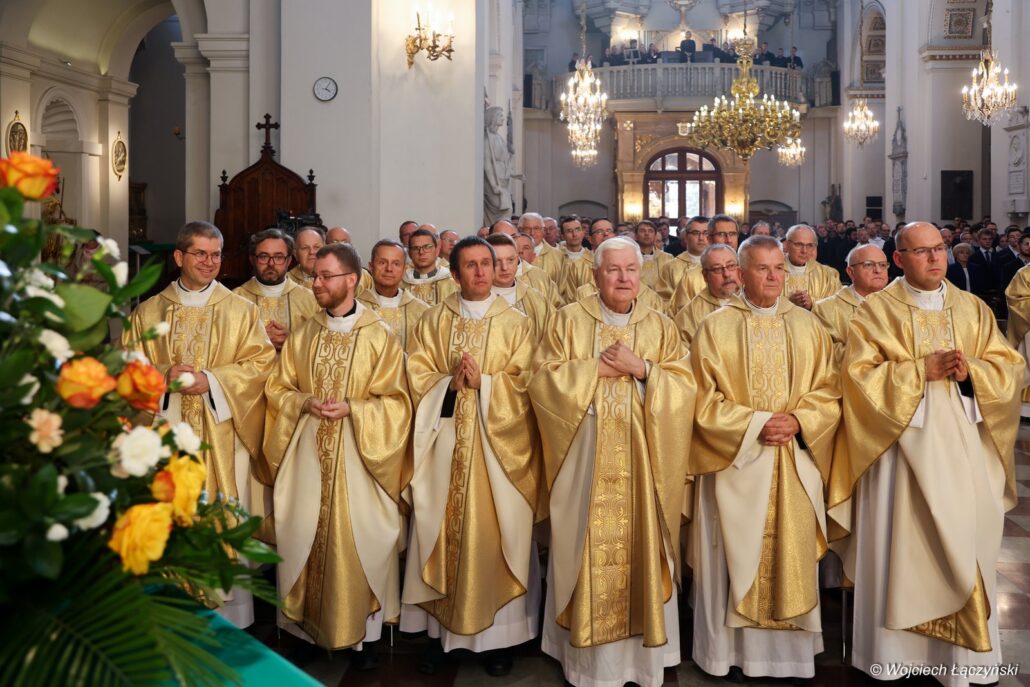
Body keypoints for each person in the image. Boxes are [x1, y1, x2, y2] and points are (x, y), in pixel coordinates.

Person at [828, 222, 1024, 684]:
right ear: (899, 259)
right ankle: (896, 658)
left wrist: (972, 374)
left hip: (965, 445)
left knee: (968, 538)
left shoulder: (972, 308)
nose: (935, 258)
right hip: (899, 452)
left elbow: (1010, 368)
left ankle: (962, 661)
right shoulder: (876, 311)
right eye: (921, 252)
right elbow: (855, 378)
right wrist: (921, 371)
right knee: (900, 545)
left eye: (939, 249)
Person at [530, 236, 695, 687]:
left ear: (642, 275)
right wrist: (594, 371)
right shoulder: (568, 320)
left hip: (644, 463)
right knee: (581, 548)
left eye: (631, 270)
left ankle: (643, 662)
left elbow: (685, 389)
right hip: (584, 459)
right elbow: (540, 380)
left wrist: (642, 369)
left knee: (643, 547)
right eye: (613, 270)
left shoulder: (660, 325)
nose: (623, 278)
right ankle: (586, 663)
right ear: (595, 275)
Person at [689, 235, 840, 681]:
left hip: (794, 457)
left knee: (792, 553)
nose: (774, 277)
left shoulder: (809, 326)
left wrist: (799, 420)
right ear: (740, 273)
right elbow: (700, 400)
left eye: (779, 268)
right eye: (762, 268)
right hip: (736, 462)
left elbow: (830, 390)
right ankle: (732, 655)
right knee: (736, 554)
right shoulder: (715, 328)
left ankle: (788, 658)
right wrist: (755, 423)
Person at [264, 242, 411, 666]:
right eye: (315, 276)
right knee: (303, 534)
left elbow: (397, 403)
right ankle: (305, 629)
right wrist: (304, 403)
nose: (317, 284)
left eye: (326, 276)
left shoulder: (379, 335)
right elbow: (278, 388)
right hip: (307, 456)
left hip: (360, 459)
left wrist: (355, 409)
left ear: (352, 280)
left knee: (356, 538)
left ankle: (360, 635)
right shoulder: (305, 333)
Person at [402, 236, 543, 678]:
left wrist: (488, 385)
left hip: (500, 454)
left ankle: (500, 640)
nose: (482, 272)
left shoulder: (516, 323)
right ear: (455, 273)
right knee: (438, 530)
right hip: (443, 447)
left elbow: (530, 383)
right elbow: (414, 374)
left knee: (497, 535)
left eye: (487, 263)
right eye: (472, 265)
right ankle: (439, 636)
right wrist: (448, 384)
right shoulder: (433, 320)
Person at [123, 221, 276, 628]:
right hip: (166, 440)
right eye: (200, 254)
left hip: (222, 439)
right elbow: (126, 369)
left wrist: (214, 381)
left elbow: (262, 365)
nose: (209, 262)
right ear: (179, 257)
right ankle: (171, 613)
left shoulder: (241, 311)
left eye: (216, 254)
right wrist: (162, 375)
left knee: (220, 516)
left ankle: (230, 620)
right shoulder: (148, 312)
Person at [233, 228, 319, 353]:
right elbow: (226, 347)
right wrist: (258, 339)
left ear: (288, 261)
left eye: (278, 257)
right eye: (263, 256)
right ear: (252, 260)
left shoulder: (309, 299)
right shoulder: (236, 299)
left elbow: (321, 343)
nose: (271, 263)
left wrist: (292, 340)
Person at [812, 244, 889, 361]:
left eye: (883, 265)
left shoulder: (898, 305)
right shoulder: (825, 309)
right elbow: (827, 354)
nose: (878, 270)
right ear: (851, 272)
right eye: (869, 265)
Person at [356, 239, 429, 349]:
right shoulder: (357, 307)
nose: (389, 269)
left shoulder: (421, 311)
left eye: (396, 264)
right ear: (371, 267)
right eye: (382, 262)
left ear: (404, 270)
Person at [668, 214, 740, 313]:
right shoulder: (691, 277)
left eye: (732, 234)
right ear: (709, 239)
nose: (728, 240)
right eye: (721, 234)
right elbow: (680, 314)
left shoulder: (747, 271)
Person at [672, 244, 740, 348]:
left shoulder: (755, 300)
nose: (727, 274)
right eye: (717, 269)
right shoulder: (688, 318)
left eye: (731, 266)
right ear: (705, 276)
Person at [486, 233, 551, 338]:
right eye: (497, 261)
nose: (505, 267)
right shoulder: (475, 300)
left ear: (517, 260)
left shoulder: (536, 299)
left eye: (510, 260)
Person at [780, 224, 842, 311]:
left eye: (809, 245)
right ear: (786, 244)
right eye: (799, 244)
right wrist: (788, 304)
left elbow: (838, 307)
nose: (804, 251)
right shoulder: (772, 271)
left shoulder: (828, 275)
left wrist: (812, 304)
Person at [655, 215, 708, 302]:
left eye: (706, 233)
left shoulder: (721, 265)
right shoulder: (670, 267)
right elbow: (663, 301)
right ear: (686, 237)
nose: (701, 238)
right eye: (696, 233)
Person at [401, 229, 458, 306]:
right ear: (410, 253)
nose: (421, 252)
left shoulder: (452, 283)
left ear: (437, 250)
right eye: (416, 248)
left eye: (427, 247)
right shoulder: (401, 284)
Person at [555, 215, 594, 303]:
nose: (574, 234)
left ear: (583, 233)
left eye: (577, 229)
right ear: (562, 236)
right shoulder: (555, 257)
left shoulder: (592, 259)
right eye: (569, 231)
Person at [635, 219, 672, 290]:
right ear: (636, 236)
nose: (646, 234)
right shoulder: (630, 257)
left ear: (655, 236)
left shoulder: (668, 258)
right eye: (642, 231)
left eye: (650, 231)